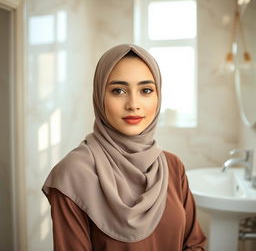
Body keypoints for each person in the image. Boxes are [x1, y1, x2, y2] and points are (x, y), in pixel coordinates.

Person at [42, 44, 206, 251]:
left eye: (146, 90)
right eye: (118, 90)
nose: (133, 104)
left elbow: (194, 244)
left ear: (158, 96)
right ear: (100, 96)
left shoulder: (172, 166)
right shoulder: (72, 174)